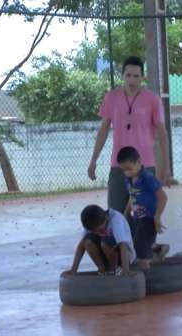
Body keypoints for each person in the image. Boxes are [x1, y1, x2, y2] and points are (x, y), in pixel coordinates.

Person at [87, 56, 171, 214]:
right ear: (123, 76)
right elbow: (103, 129)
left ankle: (144, 240)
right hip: (118, 165)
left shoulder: (153, 100)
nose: (132, 80)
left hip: (144, 165)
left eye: (136, 76)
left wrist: (165, 167)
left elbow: (162, 134)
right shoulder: (111, 97)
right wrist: (94, 159)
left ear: (142, 77)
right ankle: (121, 240)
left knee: (145, 215)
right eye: (128, 75)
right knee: (116, 214)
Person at [117, 146, 168, 269]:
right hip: (135, 218)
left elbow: (163, 197)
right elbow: (132, 196)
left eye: (129, 169)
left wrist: (157, 217)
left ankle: (146, 280)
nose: (127, 172)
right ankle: (158, 248)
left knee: (141, 254)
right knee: (136, 243)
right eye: (123, 170)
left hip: (148, 219)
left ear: (139, 162)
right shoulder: (128, 179)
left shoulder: (148, 178)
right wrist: (125, 214)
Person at [65, 205, 136, 276]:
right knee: (87, 241)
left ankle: (114, 270)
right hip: (106, 254)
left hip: (125, 256)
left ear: (106, 219)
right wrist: (74, 269)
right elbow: (81, 246)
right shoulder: (91, 222)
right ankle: (102, 270)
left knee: (105, 242)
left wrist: (125, 269)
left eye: (100, 230)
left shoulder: (115, 219)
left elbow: (123, 245)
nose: (98, 233)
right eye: (94, 231)